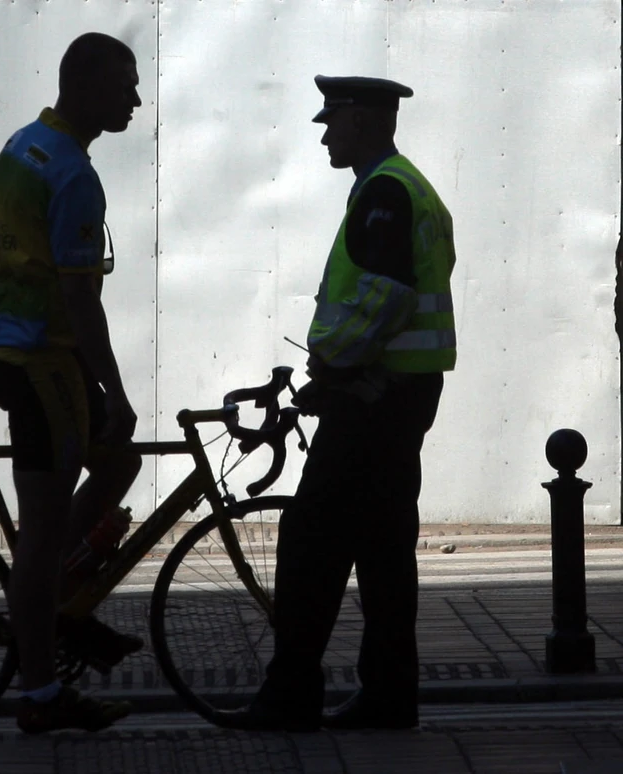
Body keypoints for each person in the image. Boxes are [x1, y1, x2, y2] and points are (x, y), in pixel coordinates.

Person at [224, 75, 457, 732]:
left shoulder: (385, 191)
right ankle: (389, 693)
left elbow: (386, 294)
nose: (325, 132)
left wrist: (335, 361)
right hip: (403, 392)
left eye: (333, 120)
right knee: (383, 547)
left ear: (362, 122)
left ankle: (291, 694)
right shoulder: (405, 185)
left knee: (309, 540)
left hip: (372, 396)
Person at [0, 32, 144, 734]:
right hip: (40, 361)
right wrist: (117, 392)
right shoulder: (73, 174)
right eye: (125, 84)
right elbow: (81, 302)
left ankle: (58, 596)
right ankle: (40, 689)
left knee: (119, 461)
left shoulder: (24, 144)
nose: (136, 98)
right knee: (39, 539)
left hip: (3, 345)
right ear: (85, 86)